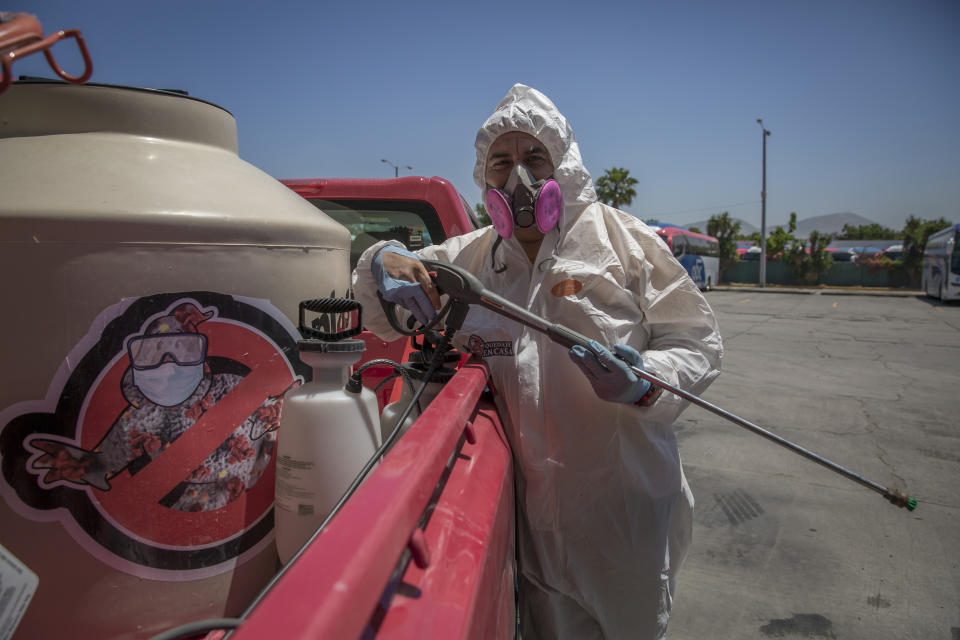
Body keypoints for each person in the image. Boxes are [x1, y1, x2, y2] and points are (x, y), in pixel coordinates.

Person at [352, 84, 722, 639]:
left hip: (625, 520)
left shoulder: (625, 242)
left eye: (534, 158)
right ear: (485, 177)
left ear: (563, 166)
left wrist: (645, 382)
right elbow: (378, 301)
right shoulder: (471, 258)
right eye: (502, 162)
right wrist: (385, 257)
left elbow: (697, 342)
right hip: (535, 529)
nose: (517, 176)